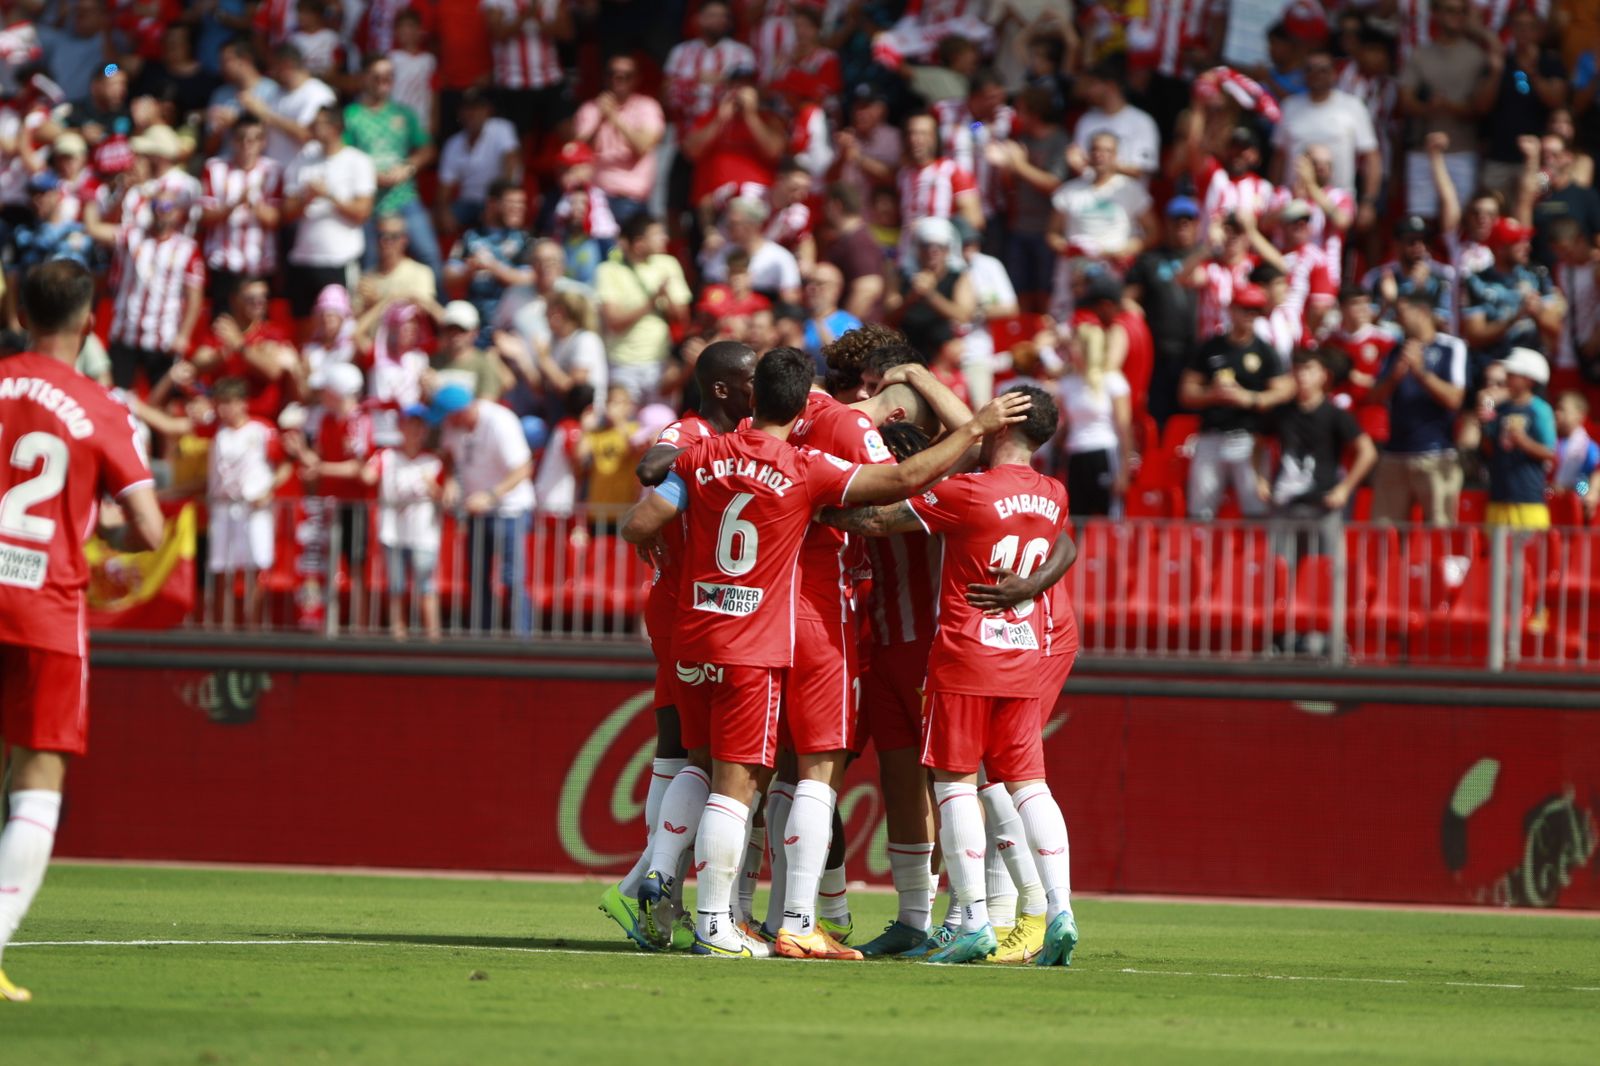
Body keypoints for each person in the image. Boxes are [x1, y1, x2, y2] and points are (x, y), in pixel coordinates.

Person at [619, 348, 1031, 960]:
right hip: (792, 627)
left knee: (699, 762)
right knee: (806, 771)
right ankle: (787, 918)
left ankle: (662, 885)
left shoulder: (706, 448)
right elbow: (898, 481)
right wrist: (971, 423)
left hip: (697, 622)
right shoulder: (806, 462)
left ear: (750, 396)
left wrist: (662, 554)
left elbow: (640, 512)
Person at [822, 383, 1081, 968]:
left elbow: (882, 518)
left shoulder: (968, 494)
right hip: (1022, 658)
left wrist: (821, 507)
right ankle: (1060, 911)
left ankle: (975, 921)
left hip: (965, 655)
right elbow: (1063, 542)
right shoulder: (1054, 494)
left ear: (1004, 426)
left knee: (955, 785)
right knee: (1029, 785)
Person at [0, 259, 164, 1004]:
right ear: (91, 321)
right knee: (38, 777)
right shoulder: (99, 406)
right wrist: (98, 544)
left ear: (16, 309)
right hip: (44, 606)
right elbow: (150, 530)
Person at [597, 340, 757, 951]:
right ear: (720, 388)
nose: (755, 388)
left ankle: (655, 895)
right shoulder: (689, 430)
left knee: (684, 751)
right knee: (688, 750)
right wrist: (680, 461)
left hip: (711, 606)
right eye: (747, 379)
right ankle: (652, 893)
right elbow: (650, 464)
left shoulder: (745, 432)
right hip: (685, 606)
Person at [1179, 286, 1294, 520]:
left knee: (1255, 508)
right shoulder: (1211, 347)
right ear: (1232, 311)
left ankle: (1255, 556)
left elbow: (1285, 390)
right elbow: (1186, 391)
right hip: (1212, 434)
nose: (1250, 316)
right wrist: (1212, 394)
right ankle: (1202, 554)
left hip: (1249, 438)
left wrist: (1249, 398)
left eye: (1255, 311)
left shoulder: (1265, 351)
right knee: (1200, 509)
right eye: (1245, 310)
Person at [429, 382, 535, 635]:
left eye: (447, 417)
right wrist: (453, 480)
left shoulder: (500, 421)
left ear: (460, 412)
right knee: (477, 578)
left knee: (512, 578)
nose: (445, 423)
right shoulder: (452, 426)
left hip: (511, 510)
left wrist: (489, 496)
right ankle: (482, 639)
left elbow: (523, 468)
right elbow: (449, 455)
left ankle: (524, 644)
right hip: (477, 512)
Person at [1368, 290, 1470, 526]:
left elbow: (1455, 399)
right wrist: (1395, 376)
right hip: (1394, 454)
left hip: (1437, 454)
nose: (1397, 318)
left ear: (1423, 313)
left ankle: (1437, 565)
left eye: (1402, 312)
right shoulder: (1394, 351)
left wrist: (1421, 373)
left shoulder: (1451, 347)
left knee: (1440, 529)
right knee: (1384, 533)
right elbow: (1374, 397)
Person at [343, 54, 439, 283]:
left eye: (388, 77)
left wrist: (408, 167)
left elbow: (427, 149)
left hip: (404, 196)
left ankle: (441, 314)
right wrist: (370, 175)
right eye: (377, 77)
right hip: (369, 200)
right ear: (364, 78)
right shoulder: (351, 116)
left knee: (429, 255)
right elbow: (343, 156)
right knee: (370, 263)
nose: (383, 82)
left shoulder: (403, 113)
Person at [1257, 350, 1377, 531]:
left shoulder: (1336, 415)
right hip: (1285, 501)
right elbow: (1257, 445)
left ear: (1323, 375)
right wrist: (1261, 479)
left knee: (1329, 559)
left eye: (1308, 369)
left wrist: (1345, 488)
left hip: (1324, 505)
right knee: (1280, 559)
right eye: (1296, 369)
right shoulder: (1280, 413)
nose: (1302, 375)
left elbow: (1368, 452)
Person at [1397, 1, 1496, 220]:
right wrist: (1426, 107)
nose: (1456, 17)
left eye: (1462, 12)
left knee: (1459, 219)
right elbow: (1406, 99)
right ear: (1436, 13)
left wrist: (1451, 106)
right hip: (1422, 150)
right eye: (1450, 10)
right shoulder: (1420, 54)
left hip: (1462, 150)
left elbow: (1481, 107)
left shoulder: (1476, 56)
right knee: (1420, 221)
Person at [206, 377, 289, 626]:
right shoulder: (216, 433)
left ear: (243, 403)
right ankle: (223, 626)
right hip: (222, 508)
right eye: (221, 404)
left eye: (230, 403)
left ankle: (252, 625)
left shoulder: (262, 430)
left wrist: (268, 490)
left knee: (255, 567)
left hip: (254, 508)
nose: (224, 409)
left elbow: (284, 464)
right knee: (223, 569)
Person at [283, 107, 376, 324]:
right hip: (304, 258)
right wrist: (306, 197)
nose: (314, 128)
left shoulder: (358, 161)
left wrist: (329, 195)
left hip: (340, 259)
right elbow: (286, 212)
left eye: (320, 123)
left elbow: (362, 212)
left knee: (342, 323)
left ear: (336, 128)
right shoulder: (303, 158)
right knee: (303, 324)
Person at [107, 192, 206, 390]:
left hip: (163, 336)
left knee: (162, 396)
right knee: (116, 392)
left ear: (178, 213)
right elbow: (96, 229)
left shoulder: (187, 248)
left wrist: (183, 335)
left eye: (167, 208)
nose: (160, 212)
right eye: (155, 207)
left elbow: (195, 298)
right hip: (126, 330)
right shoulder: (133, 236)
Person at [1271, 46, 1381, 216]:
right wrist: (1274, 197)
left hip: (1337, 203)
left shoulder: (1353, 106)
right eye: (1310, 70)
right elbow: (1279, 156)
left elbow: (1371, 156)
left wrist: (1368, 202)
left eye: (1323, 70)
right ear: (1303, 74)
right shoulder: (1289, 106)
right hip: (1295, 201)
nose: (1317, 75)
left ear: (1334, 74)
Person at [1058, 276, 1134, 518]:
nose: (1071, 349)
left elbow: (1124, 427)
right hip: (1075, 454)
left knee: (1108, 518)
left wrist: (1123, 471)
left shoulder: (1112, 381)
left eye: (1077, 344)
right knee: (1077, 518)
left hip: (1104, 451)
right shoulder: (1067, 384)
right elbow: (1064, 427)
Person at [595, 212, 691, 404]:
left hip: (660, 363)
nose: (665, 238)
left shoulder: (668, 264)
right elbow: (614, 321)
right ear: (639, 243)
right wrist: (652, 300)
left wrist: (667, 298)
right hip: (622, 366)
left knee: (660, 425)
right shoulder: (608, 270)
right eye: (657, 234)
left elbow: (683, 318)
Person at [1126, 196, 1202, 427]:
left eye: (1188, 220)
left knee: (1193, 416)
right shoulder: (1150, 259)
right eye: (1177, 220)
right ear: (1167, 224)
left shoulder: (1208, 257)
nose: (1182, 225)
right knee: (1159, 414)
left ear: (1197, 224)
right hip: (1160, 351)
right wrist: (1136, 316)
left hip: (1197, 352)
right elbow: (1127, 298)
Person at [200, 115, 282, 310]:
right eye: (241, 138)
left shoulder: (273, 170)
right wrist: (233, 204)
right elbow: (204, 217)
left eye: (254, 139)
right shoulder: (214, 168)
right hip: (224, 264)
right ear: (232, 140)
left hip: (260, 264)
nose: (247, 144)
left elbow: (276, 220)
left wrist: (253, 204)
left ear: (263, 142)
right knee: (221, 326)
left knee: (259, 332)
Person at [572, 54, 664, 226]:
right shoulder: (590, 108)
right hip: (594, 197)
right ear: (605, 77)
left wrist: (613, 117)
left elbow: (643, 146)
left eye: (626, 76)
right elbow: (577, 152)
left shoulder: (647, 107)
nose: (618, 79)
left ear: (636, 79)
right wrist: (600, 119)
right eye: (612, 74)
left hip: (630, 198)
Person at [1461, 217, 1565, 369]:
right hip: (1492, 365)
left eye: (1526, 241)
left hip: (1532, 363)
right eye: (1518, 242)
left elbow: (1558, 329)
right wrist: (1516, 317)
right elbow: (1475, 336)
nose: (1527, 247)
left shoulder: (1538, 274)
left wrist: (1538, 312)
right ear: (1500, 248)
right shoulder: (1477, 281)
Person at [444, 179, 535, 344]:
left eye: (522, 203)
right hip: (474, 324)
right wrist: (469, 269)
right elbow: (449, 278)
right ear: (492, 204)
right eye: (512, 203)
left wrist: (492, 266)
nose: (519, 208)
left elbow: (527, 279)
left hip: (511, 327)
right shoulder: (469, 237)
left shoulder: (524, 240)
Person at [1481, 347, 1557, 529]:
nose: (1507, 378)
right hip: (1498, 498)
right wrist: (1483, 425)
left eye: (1512, 374)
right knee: (1497, 555)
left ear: (1528, 379)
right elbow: (1489, 449)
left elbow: (1550, 453)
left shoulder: (1540, 410)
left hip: (1528, 500)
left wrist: (1523, 441)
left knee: (1531, 556)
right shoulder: (1499, 408)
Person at [897, 112, 984, 263]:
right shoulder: (903, 175)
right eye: (911, 133)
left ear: (935, 138)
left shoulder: (952, 171)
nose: (916, 140)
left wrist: (930, 227)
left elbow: (974, 219)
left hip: (943, 262)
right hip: (907, 260)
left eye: (923, 134)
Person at [890, 217, 975, 372]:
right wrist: (911, 298)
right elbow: (888, 316)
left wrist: (930, 295)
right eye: (926, 245)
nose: (932, 251)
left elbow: (963, 315)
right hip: (906, 355)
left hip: (945, 359)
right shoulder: (901, 276)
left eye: (939, 246)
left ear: (948, 249)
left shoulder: (958, 277)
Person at [435, 88, 520, 236]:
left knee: (500, 210)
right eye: (466, 109)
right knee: (431, 218)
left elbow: (511, 161)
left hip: (497, 199)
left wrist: (500, 197)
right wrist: (443, 211)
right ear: (459, 113)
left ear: (487, 111)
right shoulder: (453, 143)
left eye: (476, 108)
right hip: (468, 202)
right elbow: (444, 188)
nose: (471, 114)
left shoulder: (502, 128)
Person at [1071, 55, 1160, 185]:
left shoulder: (1142, 121)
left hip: (1127, 199)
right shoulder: (1086, 119)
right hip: (1088, 197)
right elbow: (1080, 162)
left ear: (1110, 85)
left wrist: (1102, 165)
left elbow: (1142, 169)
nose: (1087, 91)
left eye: (1092, 84)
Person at [250, 43, 338, 169]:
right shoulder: (274, 93)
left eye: (274, 66)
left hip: (305, 172)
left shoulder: (319, 94)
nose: (271, 72)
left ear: (287, 64)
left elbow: (306, 134)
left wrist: (265, 114)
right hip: (275, 174)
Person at [822, 182, 889, 322]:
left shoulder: (858, 242)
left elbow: (867, 289)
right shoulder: (851, 239)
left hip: (860, 336)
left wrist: (841, 332)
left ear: (836, 205)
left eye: (826, 206)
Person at [432, 301, 510, 401]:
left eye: (462, 330)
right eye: (450, 329)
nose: (455, 335)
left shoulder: (485, 364)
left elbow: (486, 403)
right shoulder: (431, 362)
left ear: (475, 332)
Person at [800, 264, 859, 371]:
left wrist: (819, 320)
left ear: (837, 289)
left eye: (820, 283)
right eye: (808, 282)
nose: (811, 288)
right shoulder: (797, 320)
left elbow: (842, 361)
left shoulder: (850, 324)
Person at [1552, 390, 1600, 518]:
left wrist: (1580, 491)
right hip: (1551, 503)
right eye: (1556, 409)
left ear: (1579, 415)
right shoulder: (1550, 442)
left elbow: (1592, 475)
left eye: (1562, 410)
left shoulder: (1588, 447)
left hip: (1574, 507)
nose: (1557, 414)